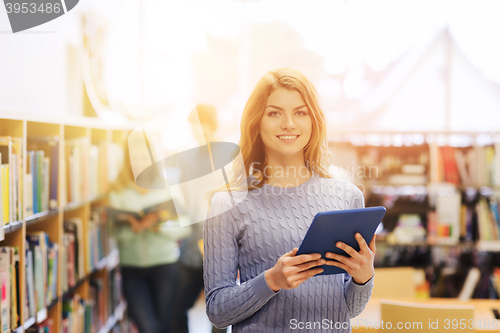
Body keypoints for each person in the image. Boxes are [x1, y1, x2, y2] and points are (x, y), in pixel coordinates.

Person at [203, 68, 375, 332]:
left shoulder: (347, 196)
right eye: (274, 113)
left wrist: (363, 278)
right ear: (256, 122)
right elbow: (217, 312)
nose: (289, 124)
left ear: (313, 121)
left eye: (300, 112)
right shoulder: (227, 204)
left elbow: (346, 310)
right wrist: (271, 280)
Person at [108, 140, 190, 333]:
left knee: (164, 326)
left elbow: (185, 227)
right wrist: (134, 228)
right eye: (134, 158)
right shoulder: (117, 191)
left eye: (143, 157)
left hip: (165, 266)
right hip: (132, 269)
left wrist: (158, 228)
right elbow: (112, 232)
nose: (139, 162)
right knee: (147, 327)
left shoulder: (167, 187)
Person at [172, 105, 226, 333]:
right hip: (194, 238)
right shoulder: (187, 158)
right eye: (192, 126)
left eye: (199, 125)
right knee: (176, 307)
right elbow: (183, 197)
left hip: (221, 241)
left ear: (212, 126)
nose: (195, 131)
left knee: (220, 313)